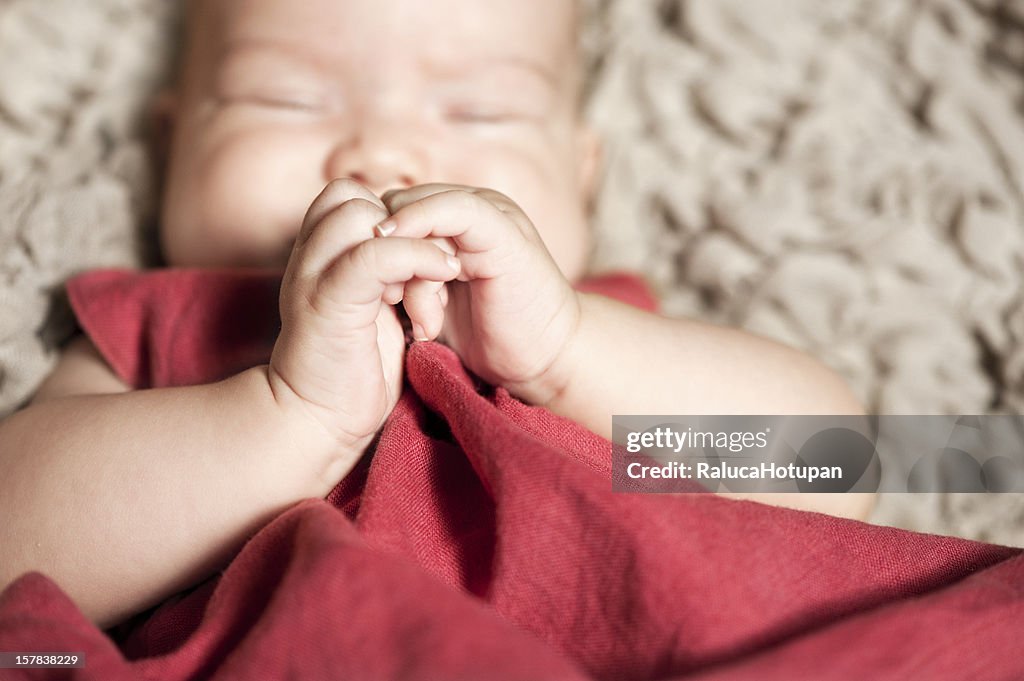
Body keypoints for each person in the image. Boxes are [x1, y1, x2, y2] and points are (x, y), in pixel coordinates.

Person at [0, 0, 874, 630]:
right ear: (171, 145)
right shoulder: (163, 320)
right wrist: (284, 418)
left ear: (581, 178)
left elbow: (845, 470)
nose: (383, 149)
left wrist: (564, 354)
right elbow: (16, 546)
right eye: (285, 99)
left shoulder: (608, 339)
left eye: (479, 111)